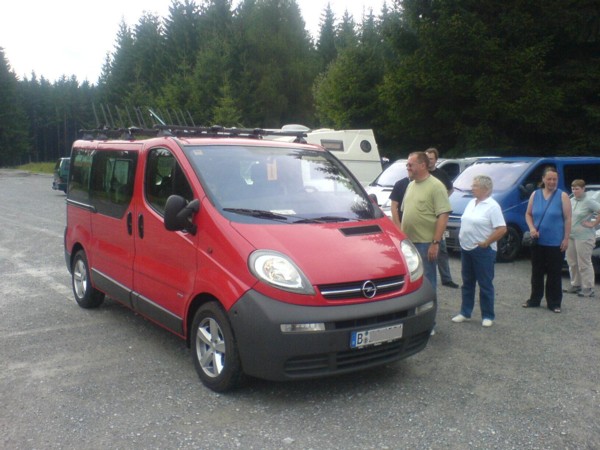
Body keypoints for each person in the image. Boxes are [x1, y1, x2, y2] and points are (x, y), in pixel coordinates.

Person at [451, 175, 506, 327]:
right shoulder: (471, 202)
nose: (472, 188)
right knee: (467, 282)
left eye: (475, 186)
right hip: (466, 248)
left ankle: (488, 315)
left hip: (483, 250)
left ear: (485, 189)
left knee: (485, 283)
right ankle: (465, 312)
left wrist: (487, 242)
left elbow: (502, 228)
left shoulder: (492, 206)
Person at [399, 151, 452, 291]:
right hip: (409, 243)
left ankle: (428, 309)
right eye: (407, 165)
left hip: (426, 243)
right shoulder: (411, 185)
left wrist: (435, 243)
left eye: (410, 165)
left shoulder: (436, 186)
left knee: (427, 281)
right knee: (411, 280)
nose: (407, 167)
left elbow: (443, 215)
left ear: (422, 165)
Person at [522, 167, 571, 313]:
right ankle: (534, 299)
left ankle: (554, 302)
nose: (552, 182)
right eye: (549, 179)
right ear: (543, 179)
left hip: (555, 242)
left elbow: (568, 219)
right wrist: (531, 228)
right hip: (538, 241)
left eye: (554, 179)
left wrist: (566, 238)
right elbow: (528, 214)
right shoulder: (535, 195)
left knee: (554, 273)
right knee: (536, 272)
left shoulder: (563, 196)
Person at [425, 148, 459, 288]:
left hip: (438, 216)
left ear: (436, 160)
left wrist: (442, 200)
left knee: (442, 248)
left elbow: (450, 189)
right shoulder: (422, 174)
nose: (429, 161)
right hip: (424, 217)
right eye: (427, 158)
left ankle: (446, 278)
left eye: (431, 159)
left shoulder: (441, 174)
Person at [564, 179, 600, 297]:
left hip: (584, 237)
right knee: (572, 261)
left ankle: (588, 288)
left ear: (583, 189)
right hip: (571, 235)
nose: (574, 191)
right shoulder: (571, 201)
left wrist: (593, 224)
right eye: (573, 189)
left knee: (584, 262)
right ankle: (575, 284)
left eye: (577, 189)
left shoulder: (589, 201)